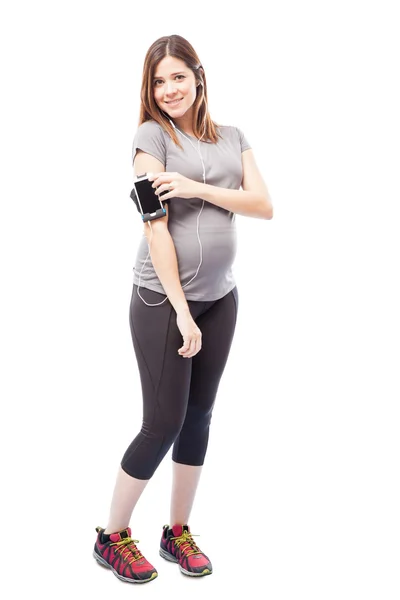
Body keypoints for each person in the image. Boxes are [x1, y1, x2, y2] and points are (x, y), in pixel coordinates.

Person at [93, 34, 273, 584]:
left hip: (222, 297)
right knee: (163, 422)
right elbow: (157, 230)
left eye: (177, 76)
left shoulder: (233, 136)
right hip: (162, 301)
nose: (169, 89)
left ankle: (177, 532)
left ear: (198, 75)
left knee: (198, 418)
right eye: (158, 81)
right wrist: (182, 311)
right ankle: (112, 537)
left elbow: (263, 205)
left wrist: (196, 185)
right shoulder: (151, 137)